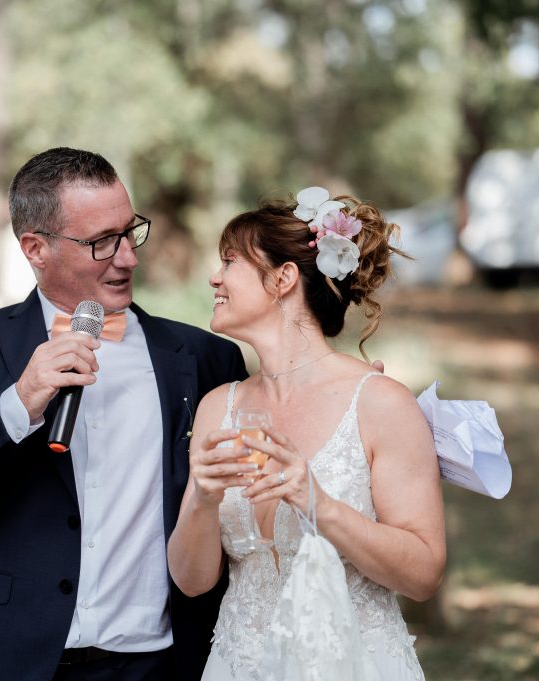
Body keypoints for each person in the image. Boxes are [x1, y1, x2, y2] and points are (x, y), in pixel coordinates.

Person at [0, 147, 248, 681]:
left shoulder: (206, 358)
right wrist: (17, 404)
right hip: (2, 659)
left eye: (130, 232)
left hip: (158, 666)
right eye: (102, 241)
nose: (128, 258)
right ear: (36, 248)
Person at [167, 188, 447, 680]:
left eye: (230, 261)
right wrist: (202, 500)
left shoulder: (379, 402)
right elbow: (192, 583)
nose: (214, 276)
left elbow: (424, 573)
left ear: (284, 278)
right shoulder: (218, 408)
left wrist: (320, 505)